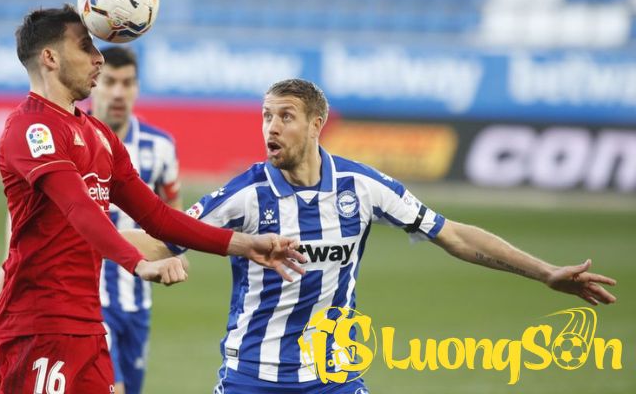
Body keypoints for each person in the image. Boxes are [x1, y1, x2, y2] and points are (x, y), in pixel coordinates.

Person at [125, 78, 618, 394]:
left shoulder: (362, 187)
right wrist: (88, 234)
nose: (271, 128)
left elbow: (454, 235)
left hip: (335, 376)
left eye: (285, 116)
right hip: (254, 377)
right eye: (265, 116)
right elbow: (162, 237)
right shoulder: (245, 194)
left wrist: (546, 273)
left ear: (317, 125)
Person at [0, 7, 306, 394]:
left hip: (88, 329)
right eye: (86, 46)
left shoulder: (100, 135)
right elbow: (79, 208)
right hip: (37, 327)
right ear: (50, 58)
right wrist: (137, 263)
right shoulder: (30, 127)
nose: (99, 58)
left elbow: (157, 215)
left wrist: (245, 246)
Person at [0, 45, 182, 394]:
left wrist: (180, 250)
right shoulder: (62, 133)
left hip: (136, 300)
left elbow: (170, 217)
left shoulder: (161, 147)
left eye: (129, 83)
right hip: (80, 297)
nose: (119, 93)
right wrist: (9, 263)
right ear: (96, 81)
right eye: (110, 82)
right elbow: (25, 211)